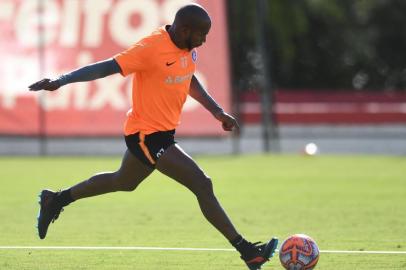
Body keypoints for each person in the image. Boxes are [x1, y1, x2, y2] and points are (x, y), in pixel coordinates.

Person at [29, 4, 277, 270]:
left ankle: (56, 199)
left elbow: (188, 78)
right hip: (147, 135)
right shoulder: (150, 48)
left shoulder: (186, 48)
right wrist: (61, 80)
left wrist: (217, 111)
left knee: (123, 181)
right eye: (201, 35)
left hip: (162, 132)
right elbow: (105, 67)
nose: (204, 41)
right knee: (202, 184)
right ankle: (248, 252)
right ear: (184, 30)